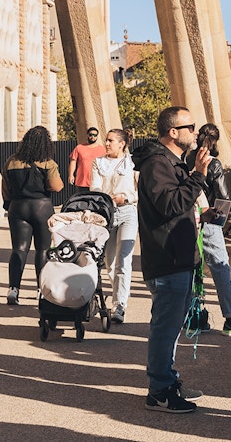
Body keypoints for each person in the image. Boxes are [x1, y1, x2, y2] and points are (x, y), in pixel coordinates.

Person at [132, 106, 212, 413]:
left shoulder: (173, 163)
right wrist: (199, 176)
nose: (196, 131)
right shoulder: (157, 163)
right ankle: (160, 390)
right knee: (165, 329)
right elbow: (170, 204)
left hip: (178, 258)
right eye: (189, 126)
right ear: (173, 132)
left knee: (170, 326)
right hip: (167, 261)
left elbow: (180, 204)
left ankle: (167, 379)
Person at [187, 123, 231, 337]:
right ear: (216, 141)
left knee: (193, 269)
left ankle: (193, 316)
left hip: (188, 219)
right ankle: (230, 318)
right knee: (221, 267)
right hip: (209, 219)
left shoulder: (187, 159)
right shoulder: (213, 164)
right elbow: (223, 196)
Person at [1, 126, 64, 305]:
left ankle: (13, 289)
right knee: (43, 249)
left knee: (19, 249)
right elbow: (57, 186)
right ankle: (41, 290)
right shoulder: (48, 162)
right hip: (41, 206)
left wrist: (9, 204)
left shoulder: (12, 161)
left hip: (17, 206)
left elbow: (5, 188)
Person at [90, 128, 138, 323]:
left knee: (123, 261)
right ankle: (118, 291)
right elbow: (95, 188)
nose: (107, 143)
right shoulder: (98, 163)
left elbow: (140, 191)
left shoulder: (132, 163)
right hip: (106, 214)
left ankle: (119, 305)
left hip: (128, 212)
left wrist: (125, 197)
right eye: (106, 140)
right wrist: (105, 198)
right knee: (109, 263)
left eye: (111, 140)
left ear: (122, 143)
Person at [68, 126, 105, 192]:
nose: (92, 137)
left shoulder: (102, 149)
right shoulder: (79, 148)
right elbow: (73, 161)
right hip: (82, 181)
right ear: (87, 135)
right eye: (91, 134)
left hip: (97, 182)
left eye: (95, 135)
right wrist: (71, 175)